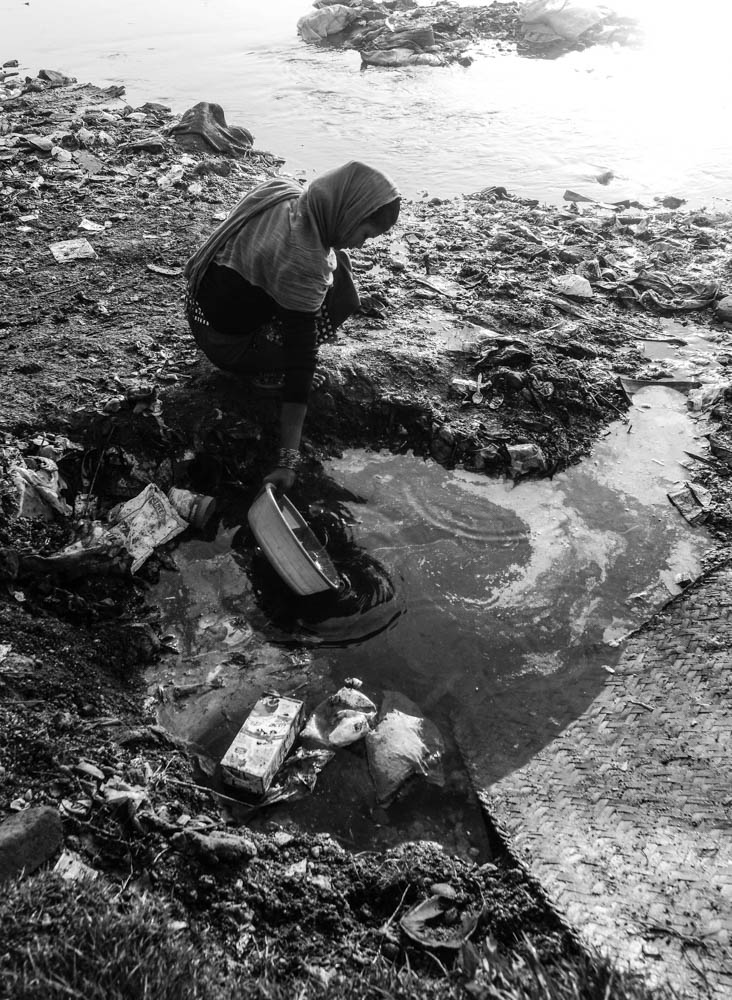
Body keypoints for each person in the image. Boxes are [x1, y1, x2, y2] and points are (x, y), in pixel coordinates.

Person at [184, 160, 401, 493]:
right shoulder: (304, 259)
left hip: (199, 309)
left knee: (339, 262)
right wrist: (288, 461)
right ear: (351, 212)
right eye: (366, 234)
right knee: (335, 293)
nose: (362, 244)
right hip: (225, 343)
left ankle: (263, 344)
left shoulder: (285, 192)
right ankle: (265, 372)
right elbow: (303, 357)